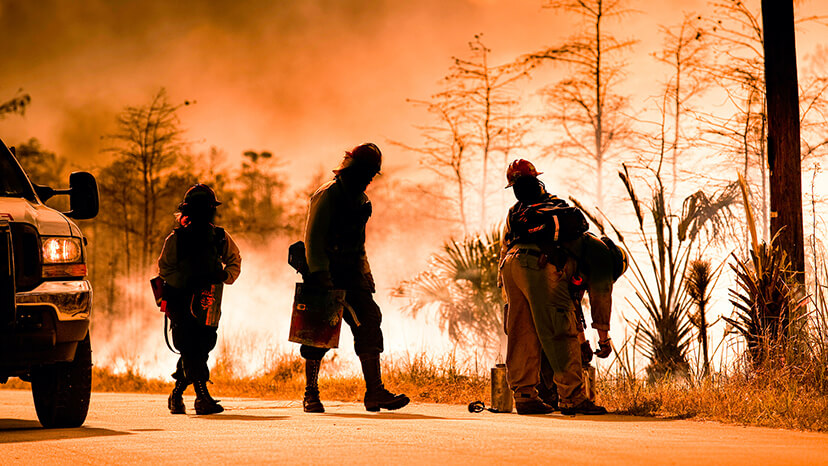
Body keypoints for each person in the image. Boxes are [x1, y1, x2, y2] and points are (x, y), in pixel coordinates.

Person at [299, 143, 409, 413]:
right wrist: (320, 274)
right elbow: (313, 238)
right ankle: (310, 394)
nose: (369, 179)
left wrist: (366, 272)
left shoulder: (361, 201)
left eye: (372, 174)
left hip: (352, 273)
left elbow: (359, 243)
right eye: (366, 173)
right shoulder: (327, 195)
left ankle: (375, 393)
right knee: (317, 333)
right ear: (352, 169)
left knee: (370, 320)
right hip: (324, 272)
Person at [498, 159, 607, 415]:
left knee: (521, 331)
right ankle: (572, 397)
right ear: (538, 179)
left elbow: (504, 249)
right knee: (559, 329)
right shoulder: (558, 206)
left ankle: (524, 395)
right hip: (540, 265)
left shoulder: (515, 212)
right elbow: (576, 240)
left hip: (511, 267)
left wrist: (505, 287)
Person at [158, 184, 241, 415]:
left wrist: (223, 276)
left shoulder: (220, 237)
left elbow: (234, 260)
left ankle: (176, 395)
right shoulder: (175, 239)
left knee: (201, 348)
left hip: (209, 302)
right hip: (181, 302)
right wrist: (186, 282)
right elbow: (165, 268)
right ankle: (202, 397)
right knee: (188, 346)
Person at [537, 232, 628, 408]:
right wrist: (604, 341)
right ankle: (571, 398)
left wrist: (582, 342)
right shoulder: (604, 260)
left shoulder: (581, 254)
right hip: (549, 280)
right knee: (561, 337)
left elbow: (572, 307)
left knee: (544, 334)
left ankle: (542, 394)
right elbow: (601, 302)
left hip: (533, 276)